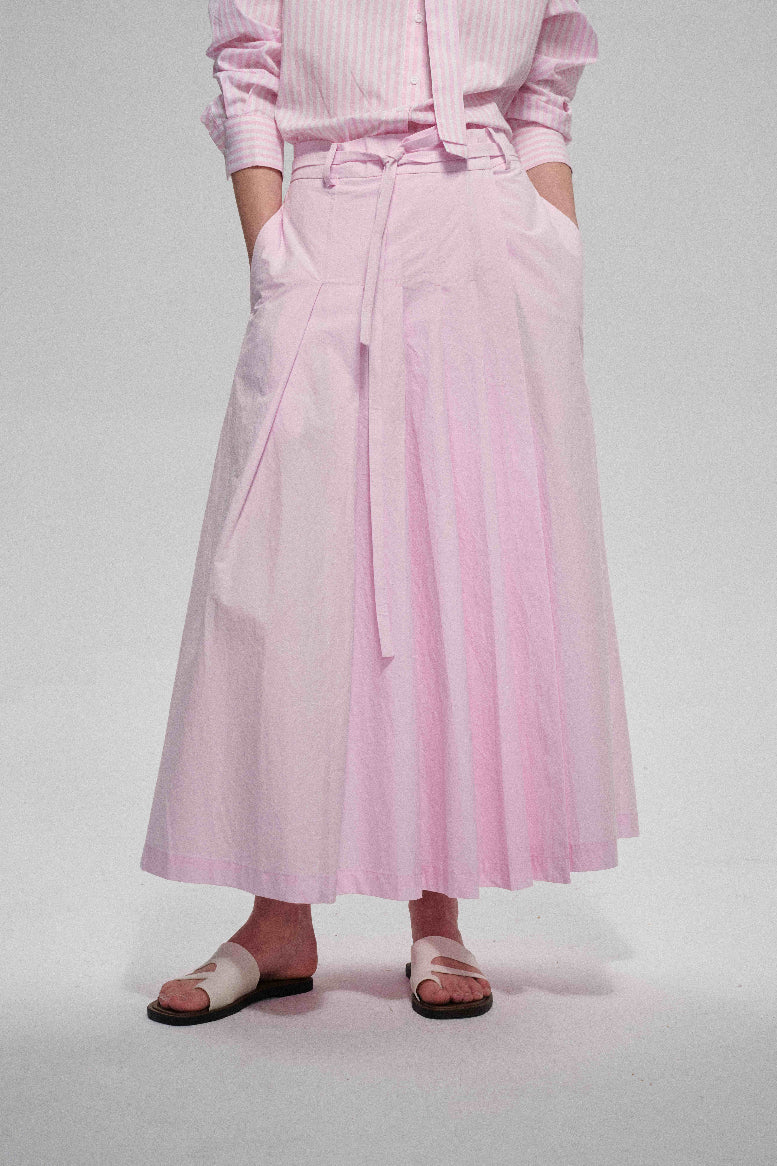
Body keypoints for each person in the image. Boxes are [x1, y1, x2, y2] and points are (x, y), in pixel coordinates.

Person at [142, 0, 639, 1024]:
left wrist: (557, 249)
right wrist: (272, 253)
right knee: (285, 568)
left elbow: (544, 87)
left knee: (457, 564)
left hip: (485, 234)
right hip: (330, 220)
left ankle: (437, 911)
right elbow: (247, 69)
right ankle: (278, 920)